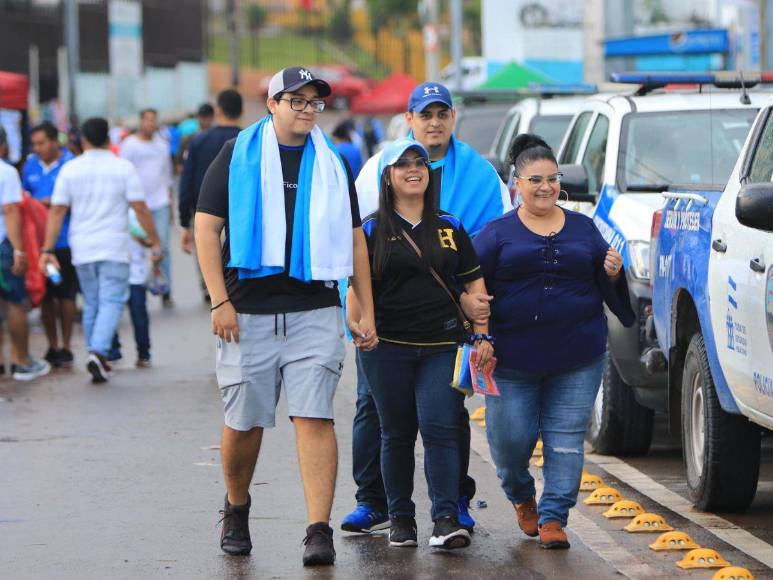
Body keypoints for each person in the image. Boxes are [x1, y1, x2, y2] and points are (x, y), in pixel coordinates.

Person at [194, 66, 376, 567]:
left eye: (314, 102)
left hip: (314, 308)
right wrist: (219, 301)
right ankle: (237, 507)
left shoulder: (332, 162)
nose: (306, 110)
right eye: (296, 100)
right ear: (272, 104)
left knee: (315, 416)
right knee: (244, 423)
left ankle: (318, 530)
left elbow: (355, 240)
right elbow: (206, 228)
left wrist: (366, 307)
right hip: (246, 311)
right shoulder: (236, 155)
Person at [342, 81, 511, 535]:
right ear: (409, 119)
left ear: (453, 118)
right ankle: (375, 502)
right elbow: (355, 251)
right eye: (425, 114)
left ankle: (452, 504)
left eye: (442, 113)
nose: (434, 122)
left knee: (447, 418)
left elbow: (492, 246)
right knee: (376, 415)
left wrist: (479, 321)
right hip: (385, 331)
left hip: (447, 328)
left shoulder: (480, 174)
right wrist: (357, 318)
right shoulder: (376, 168)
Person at [472, 134, 634, 549]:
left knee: (566, 442)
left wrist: (613, 272)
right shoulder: (496, 233)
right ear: (517, 184)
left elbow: (607, 279)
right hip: (512, 360)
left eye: (552, 179)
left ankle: (554, 517)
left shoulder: (583, 227)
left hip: (577, 355)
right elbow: (470, 283)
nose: (545, 187)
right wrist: (479, 331)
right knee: (510, 443)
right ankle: (521, 494)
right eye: (535, 180)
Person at [40, 117, 162, 384]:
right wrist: (155, 241)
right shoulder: (123, 167)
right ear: (108, 138)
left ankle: (96, 354)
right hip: (114, 246)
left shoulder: (70, 169)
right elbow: (140, 208)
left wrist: (47, 248)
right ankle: (97, 352)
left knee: (93, 302)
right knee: (111, 301)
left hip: (82, 247)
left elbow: (57, 210)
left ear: (83, 140)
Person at [22, 121, 77, 368]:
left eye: (41, 143)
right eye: (34, 144)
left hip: (65, 241)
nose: (38, 148)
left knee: (66, 294)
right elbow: (23, 198)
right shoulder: (31, 166)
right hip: (37, 244)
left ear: (55, 141)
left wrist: (52, 203)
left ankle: (66, 345)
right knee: (45, 295)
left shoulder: (71, 165)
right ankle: (52, 345)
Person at [179, 90, 242, 301]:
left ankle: (210, 287)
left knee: (207, 245)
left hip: (204, 210)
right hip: (239, 211)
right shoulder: (249, 141)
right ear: (241, 111)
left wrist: (184, 220)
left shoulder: (198, 141)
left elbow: (186, 182)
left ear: (218, 110)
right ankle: (232, 285)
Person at [0, 128, 51, 381]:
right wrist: (19, 250)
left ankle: (1, 362)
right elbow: (10, 210)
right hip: (3, 245)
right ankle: (21, 360)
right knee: (14, 302)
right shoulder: (6, 172)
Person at [120, 108, 174, 307]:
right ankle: (134, 289)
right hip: (136, 205)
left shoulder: (162, 145)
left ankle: (165, 288)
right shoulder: (130, 145)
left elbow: (167, 175)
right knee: (135, 247)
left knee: (162, 245)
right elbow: (123, 173)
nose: (151, 123)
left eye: (154, 120)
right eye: (147, 120)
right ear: (141, 121)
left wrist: (170, 202)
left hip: (160, 202)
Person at [108, 210, 152, 367]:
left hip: (135, 273)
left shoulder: (135, 213)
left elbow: (149, 241)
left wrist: (140, 236)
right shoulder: (106, 214)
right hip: (112, 273)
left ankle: (144, 353)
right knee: (110, 313)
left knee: (139, 315)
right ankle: (113, 351)